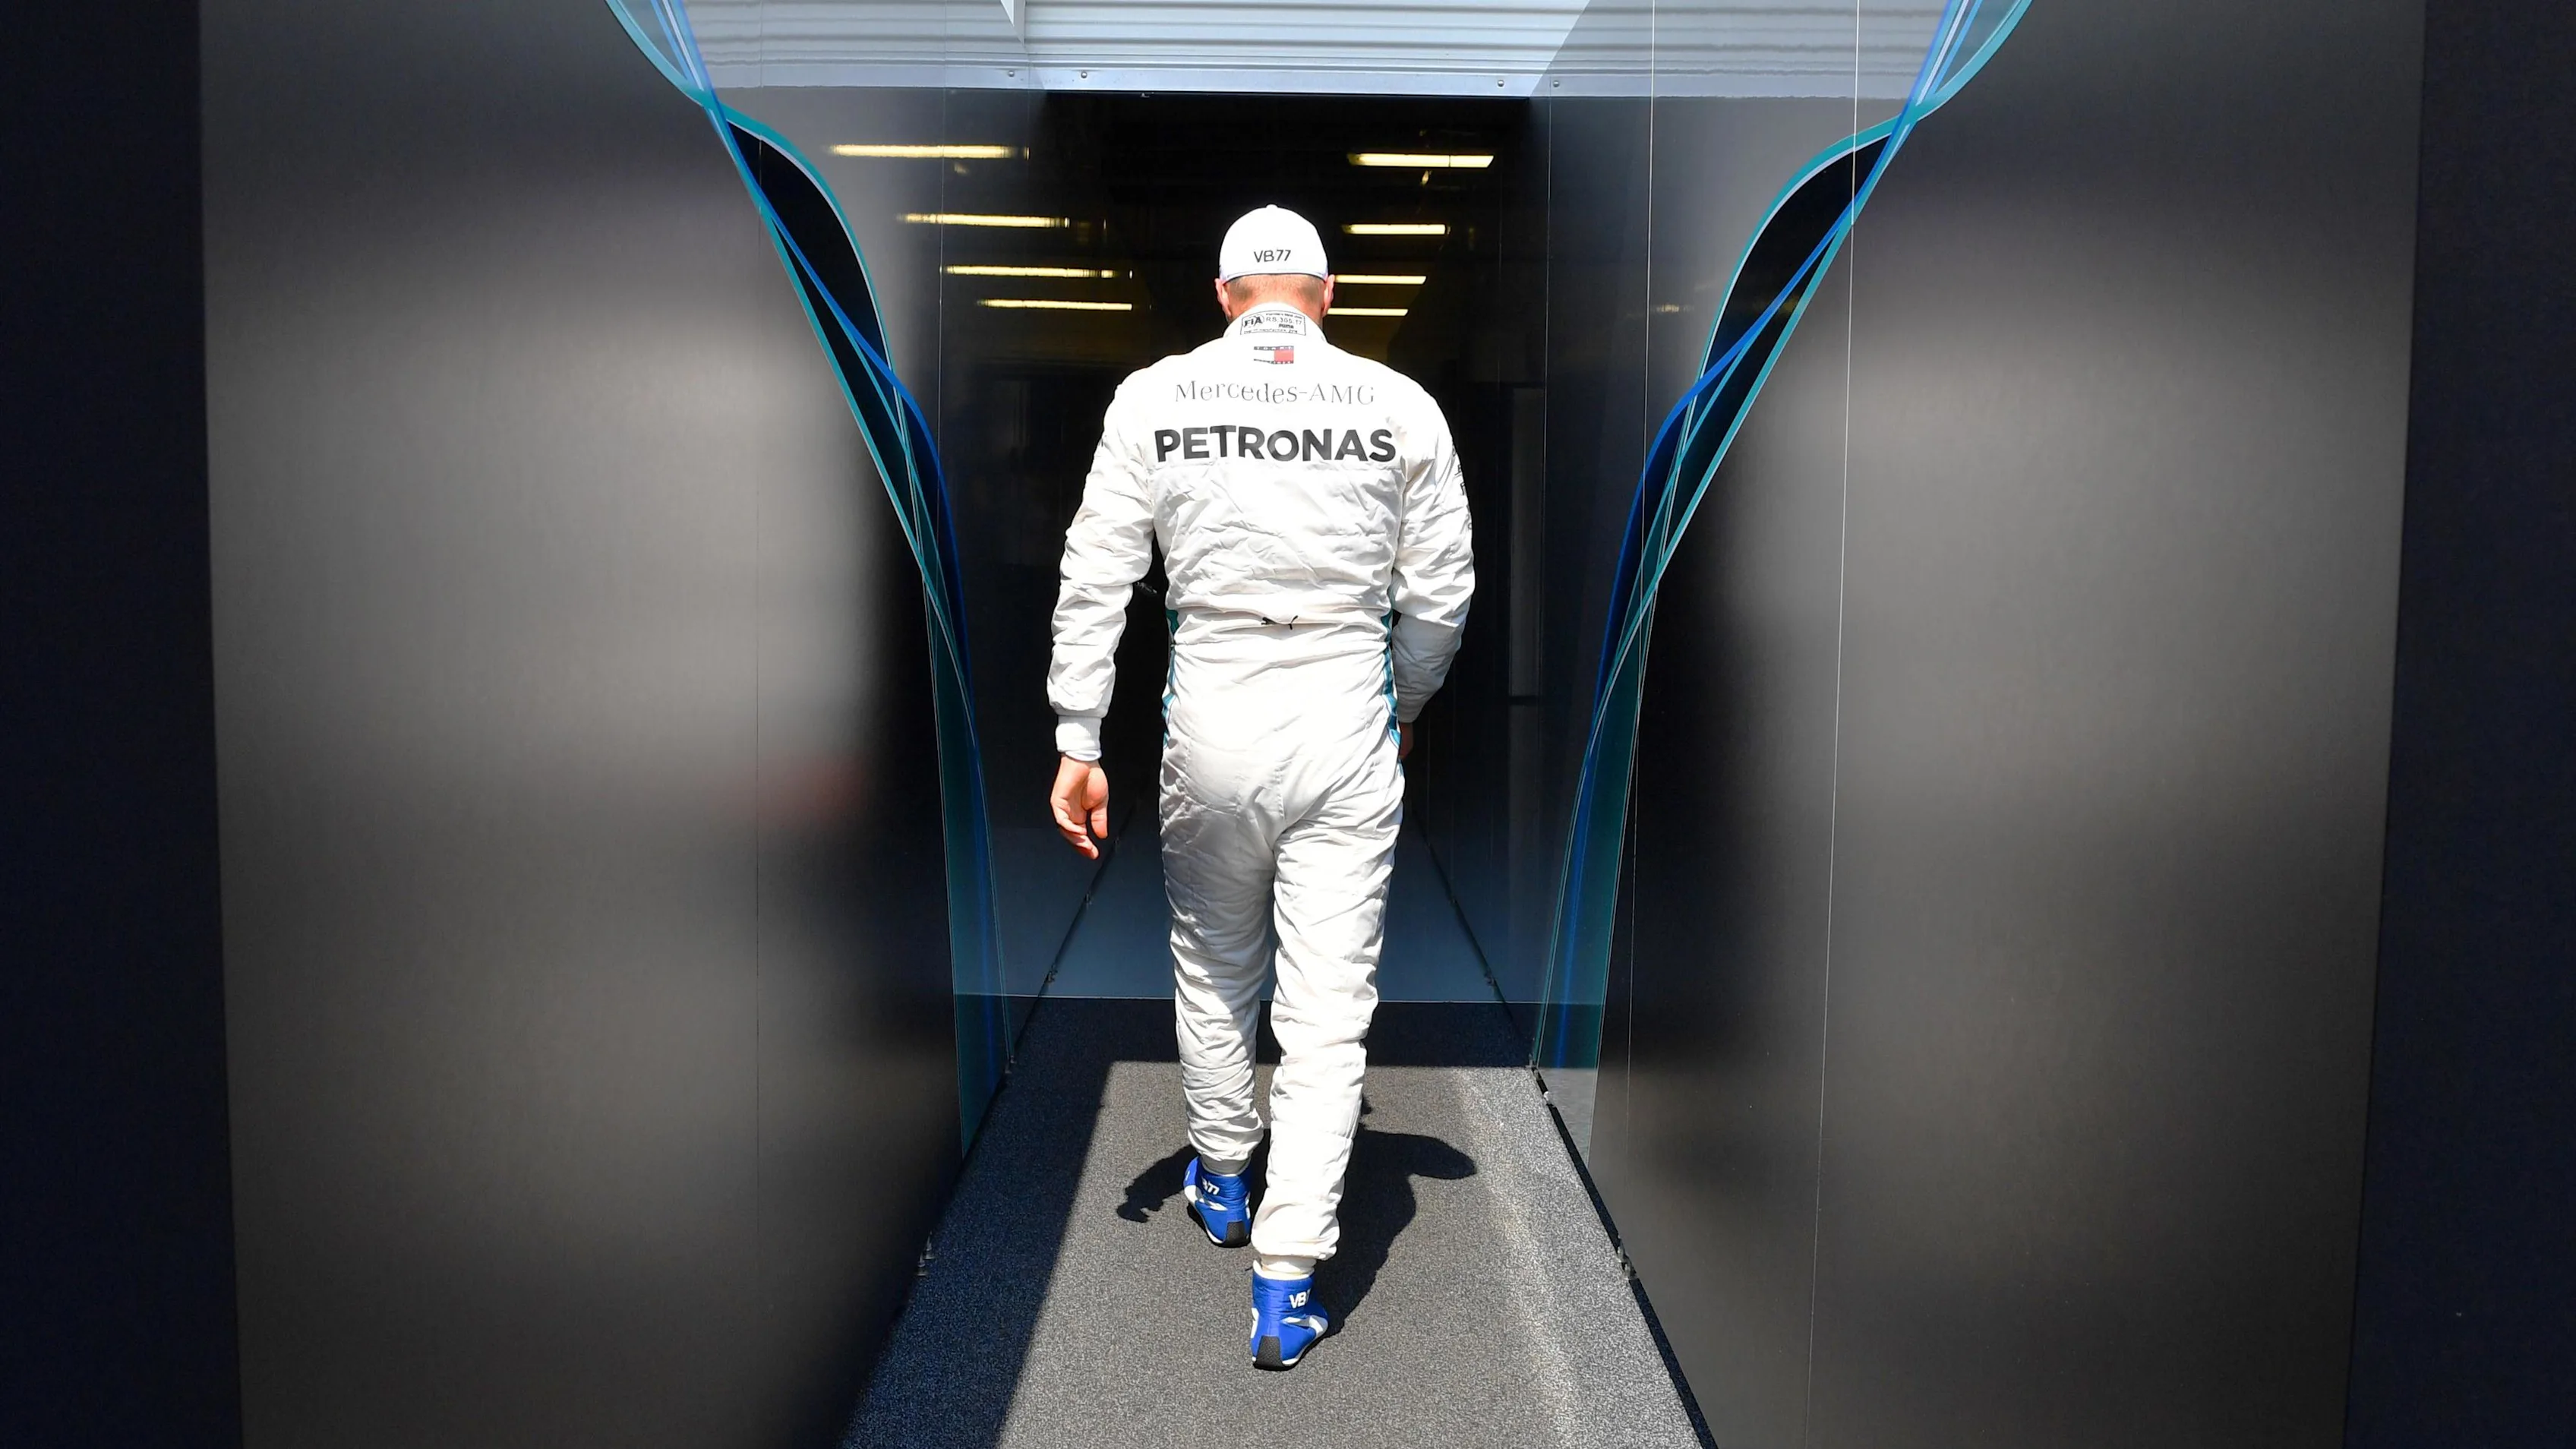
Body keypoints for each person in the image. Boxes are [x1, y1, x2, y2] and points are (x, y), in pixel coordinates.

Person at [1046, 205, 1475, 1370]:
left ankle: (1224, 1175)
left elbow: (1097, 572)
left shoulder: (1155, 396)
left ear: (1227, 293)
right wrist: (1398, 709)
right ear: (1325, 295)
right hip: (1345, 701)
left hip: (1218, 706)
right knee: (1330, 1008)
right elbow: (1439, 598)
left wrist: (1078, 734)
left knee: (1214, 958)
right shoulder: (1398, 406)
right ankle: (1287, 1282)